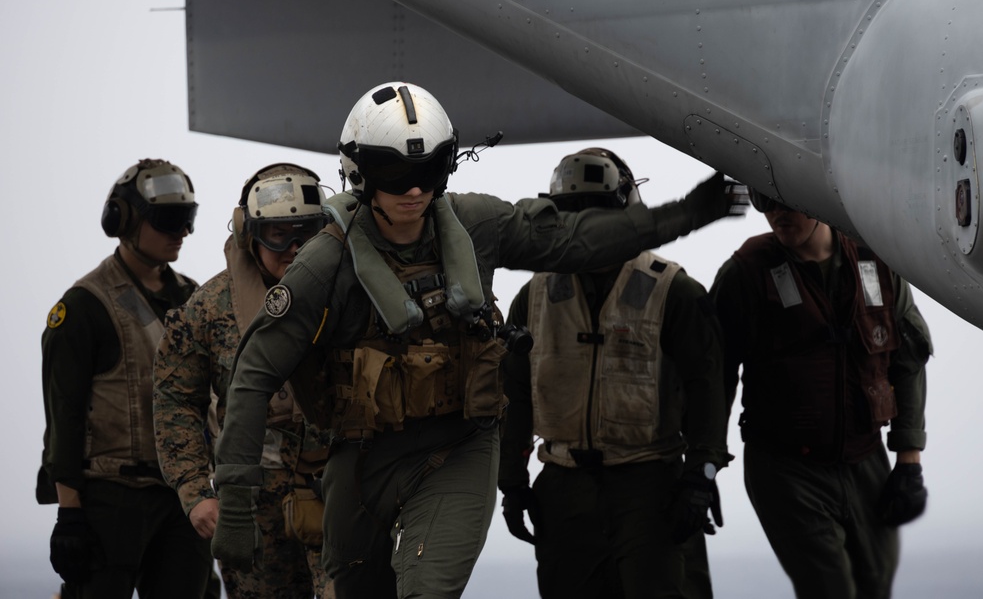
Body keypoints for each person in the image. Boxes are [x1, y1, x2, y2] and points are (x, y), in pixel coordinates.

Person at [210, 81, 747, 599]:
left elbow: (576, 241)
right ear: (360, 171)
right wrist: (235, 497)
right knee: (357, 586)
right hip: (364, 452)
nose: (414, 190)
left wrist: (684, 213)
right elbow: (255, 373)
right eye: (395, 173)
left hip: (459, 444)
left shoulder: (477, 225)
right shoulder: (326, 263)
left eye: (428, 170)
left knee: (428, 588)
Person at [498, 148, 729, 599]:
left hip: (649, 487)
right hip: (563, 489)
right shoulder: (536, 294)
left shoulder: (673, 291)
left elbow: (707, 386)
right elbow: (516, 392)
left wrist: (701, 472)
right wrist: (512, 481)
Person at [709, 189, 932, 599]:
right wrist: (703, 466)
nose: (774, 213)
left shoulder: (876, 262)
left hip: (864, 460)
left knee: (875, 585)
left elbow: (909, 359)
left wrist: (908, 461)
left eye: (784, 199)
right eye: (763, 202)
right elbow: (714, 376)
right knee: (829, 589)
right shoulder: (747, 273)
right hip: (785, 469)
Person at [153, 163, 336, 598]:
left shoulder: (351, 295)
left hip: (341, 495)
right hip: (251, 511)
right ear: (248, 233)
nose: (293, 248)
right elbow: (174, 398)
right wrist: (195, 492)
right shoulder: (210, 308)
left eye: (306, 232)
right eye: (278, 234)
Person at [38, 159, 214, 598]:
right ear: (125, 220)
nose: (183, 233)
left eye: (188, 219)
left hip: (182, 499)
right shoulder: (84, 307)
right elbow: (64, 417)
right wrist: (70, 514)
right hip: (110, 500)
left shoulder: (194, 300)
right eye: (169, 220)